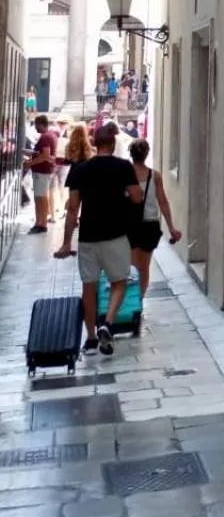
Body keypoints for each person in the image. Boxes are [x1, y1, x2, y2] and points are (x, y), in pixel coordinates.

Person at [54, 121, 142, 355]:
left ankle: (91, 337)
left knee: (89, 287)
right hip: (115, 234)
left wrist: (65, 243)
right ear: (112, 145)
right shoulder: (123, 167)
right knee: (119, 282)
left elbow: (73, 209)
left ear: (95, 143)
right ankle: (108, 322)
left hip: (88, 238)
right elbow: (136, 197)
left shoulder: (81, 170)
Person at [127, 138, 181, 298]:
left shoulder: (125, 174)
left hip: (129, 225)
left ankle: (131, 302)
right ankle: (140, 301)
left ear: (131, 155)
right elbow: (163, 202)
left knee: (131, 265)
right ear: (146, 154)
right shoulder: (155, 176)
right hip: (150, 225)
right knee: (144, 268)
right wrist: (171, 227)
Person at [25, 114, 59, 234]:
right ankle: (41, 222)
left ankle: (41, 223)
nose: (35, 127)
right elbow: (46, 154)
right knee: (42, 197)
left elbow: (45, 155)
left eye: (36, 125)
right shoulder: (52, 135)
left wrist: (31, 163)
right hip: (46, 171)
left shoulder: (45, 137)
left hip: (42, 172)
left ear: (40, 124)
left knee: (40, 197)